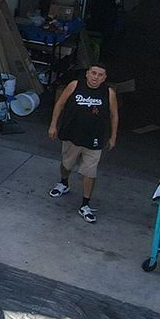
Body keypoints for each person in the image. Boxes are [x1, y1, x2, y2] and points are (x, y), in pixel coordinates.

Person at [47, 64, 119, 223]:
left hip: (94, 139)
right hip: (72, 135)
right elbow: (59, 104)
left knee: (90, 172)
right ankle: (64, 183)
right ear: (87, 74)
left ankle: (85, 204)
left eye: (100, 75)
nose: (96, 77)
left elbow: (114, 115)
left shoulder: (108, 93)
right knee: (67, 163)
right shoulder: (75, 85)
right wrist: (53, 125)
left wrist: (113, 137)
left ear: (105, 78)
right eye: (93, 73)